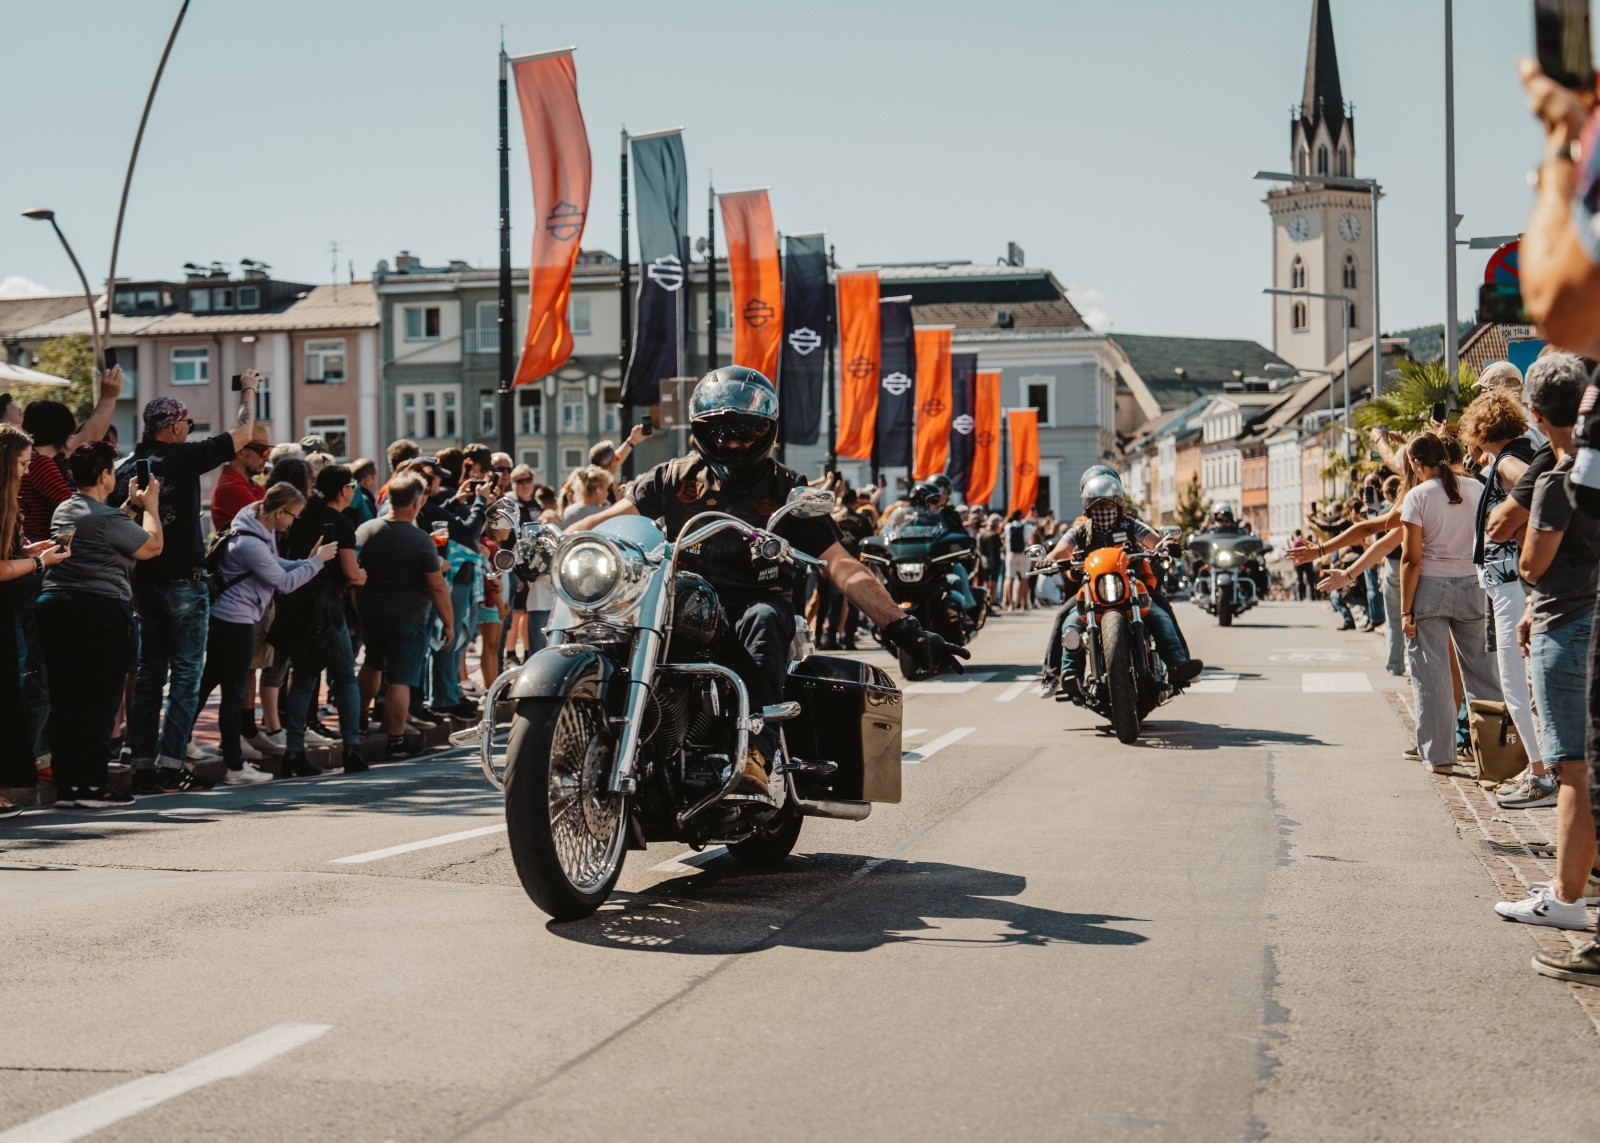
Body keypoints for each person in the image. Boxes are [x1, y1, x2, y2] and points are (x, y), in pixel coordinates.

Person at [569, 365, 968, 795]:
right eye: (721, 431)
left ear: (767, 432)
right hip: (677, 600)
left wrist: (901, 626)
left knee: (763, 618)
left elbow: (839, 561)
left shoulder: (786, 488)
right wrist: (560, 546)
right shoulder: (671, 477)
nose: (734, 441)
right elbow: (608, 521)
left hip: (752, 600)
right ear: (702, 430)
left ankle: (754, 753)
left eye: (746, 430)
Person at [1494, 358, 1600, 931]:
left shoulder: (1560, 481)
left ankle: (1564, 897)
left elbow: (1533, 564)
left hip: (1567, 623)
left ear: (1535, 414)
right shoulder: (1597, 467)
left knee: (1570, 769)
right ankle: (1578, 873)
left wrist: (1531, 594)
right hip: (1587, 610)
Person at [125, 373, 260, 794]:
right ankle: (170, 763)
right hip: (184, 580)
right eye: (185, 425)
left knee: (149, 674)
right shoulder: (183, 458)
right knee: (185, 673)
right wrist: (248, 388)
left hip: (144, 582)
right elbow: (242, 433)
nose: (187, 431)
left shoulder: (130, 466)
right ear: (175, 426)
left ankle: (142, 762)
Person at [36, 441, 163, 809]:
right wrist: (150, 506)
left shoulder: (66, 508)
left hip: (56, 606)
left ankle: (70, 785)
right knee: (99, 699)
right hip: (100, 610)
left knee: (65, 697)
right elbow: (151, 547)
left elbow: (98, 532)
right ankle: (92, 785)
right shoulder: (108, 519)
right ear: (106, 475)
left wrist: (130, 507)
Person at [195, 483, 333, 786]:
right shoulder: (252, 543)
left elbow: (276, 566)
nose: (293, 522)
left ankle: (179, 744)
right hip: (236, 620)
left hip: (230, 617)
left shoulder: (255, 522)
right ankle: (234, 765)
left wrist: (305, 561)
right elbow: (283, 583)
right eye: (294, 516)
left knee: (208, 683)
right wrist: (316, 562)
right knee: (231, 694)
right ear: (280, 512)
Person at [1457, 391, 1549, 808]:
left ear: (1480, 430)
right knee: (1524, 684)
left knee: (1515, 683)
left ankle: (1541, 775)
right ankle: (1542, 770)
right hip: (1513, 584)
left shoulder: (1510, 460)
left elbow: (1539, 500)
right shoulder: (1515, 452)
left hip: (1513, 585)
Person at [1397, 432, 1503, 773]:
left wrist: (1405, 610)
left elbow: (1411, 559)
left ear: (1416, 463)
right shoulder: (1476, 487)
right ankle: (1497, 756)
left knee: (1432, 676)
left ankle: (1440, 756)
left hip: (1430, 589)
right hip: (1473, 587)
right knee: (1484, 676)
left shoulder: (1417, 496)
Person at [1041, 471, 1201, 693]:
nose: (1103, 511)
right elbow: (1063, 548)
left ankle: (1177, 664)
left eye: (1108, 505)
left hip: (1133, 588)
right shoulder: (1080, 529)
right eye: (1097, 506)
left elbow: (1153, 539)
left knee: (1161, 615)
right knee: (1068, 621)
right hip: (1094, 592)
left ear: (1118, 503)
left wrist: (1166, 546)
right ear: (1088, 507)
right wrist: (1046, 561)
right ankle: (1066, 674)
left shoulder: (1130, 525)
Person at [0, 424, 75, 813]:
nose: (28, 471)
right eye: (23, 463)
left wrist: (36, 548)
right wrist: (36, 561)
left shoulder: (10, 501)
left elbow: (11, 551)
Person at [280, 464, 369, 776]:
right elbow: (349, 572)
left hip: (297, 602)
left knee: (303, 679)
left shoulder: (303, 517)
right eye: (353, 487)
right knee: (345, 676)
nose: (355, 492)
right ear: (344, 490)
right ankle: (352, 748)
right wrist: (362, 576)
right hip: (328, 608)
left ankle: (293, 750)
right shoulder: (341, 522)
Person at [356, 473, 454, 758]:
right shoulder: (420, 540)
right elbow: (436, 586)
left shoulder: (366, 530)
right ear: (416, 501)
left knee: (372, 664)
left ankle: (361, 719)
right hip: (409, 616)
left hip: (372, 612)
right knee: (400, 679)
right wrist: (448, 623)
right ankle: (395, 740)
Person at [211, 425, 268, 532]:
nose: (267, 458)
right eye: (262, 452)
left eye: (268, 452)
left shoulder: (248, 483)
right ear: (240, 452)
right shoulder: (231, 487)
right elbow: (268, 522)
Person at [344, 458, 378, 528]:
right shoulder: (364, 501)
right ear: (368, 480)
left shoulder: (347, 496)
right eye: (377, 478)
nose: (377, 483)